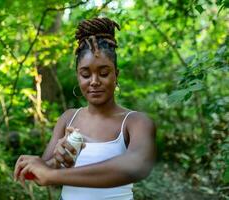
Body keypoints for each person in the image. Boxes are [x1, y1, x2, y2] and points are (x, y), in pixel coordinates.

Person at [14, 17, 156, 200]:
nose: (94, 81)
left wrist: (53, 175)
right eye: (86, 74)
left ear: (116, 75)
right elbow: (44, 173)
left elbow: (138, 165)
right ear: (78, 76)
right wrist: (55, 162)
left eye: (104, 73)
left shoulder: (135, 122)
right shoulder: (68, 118)